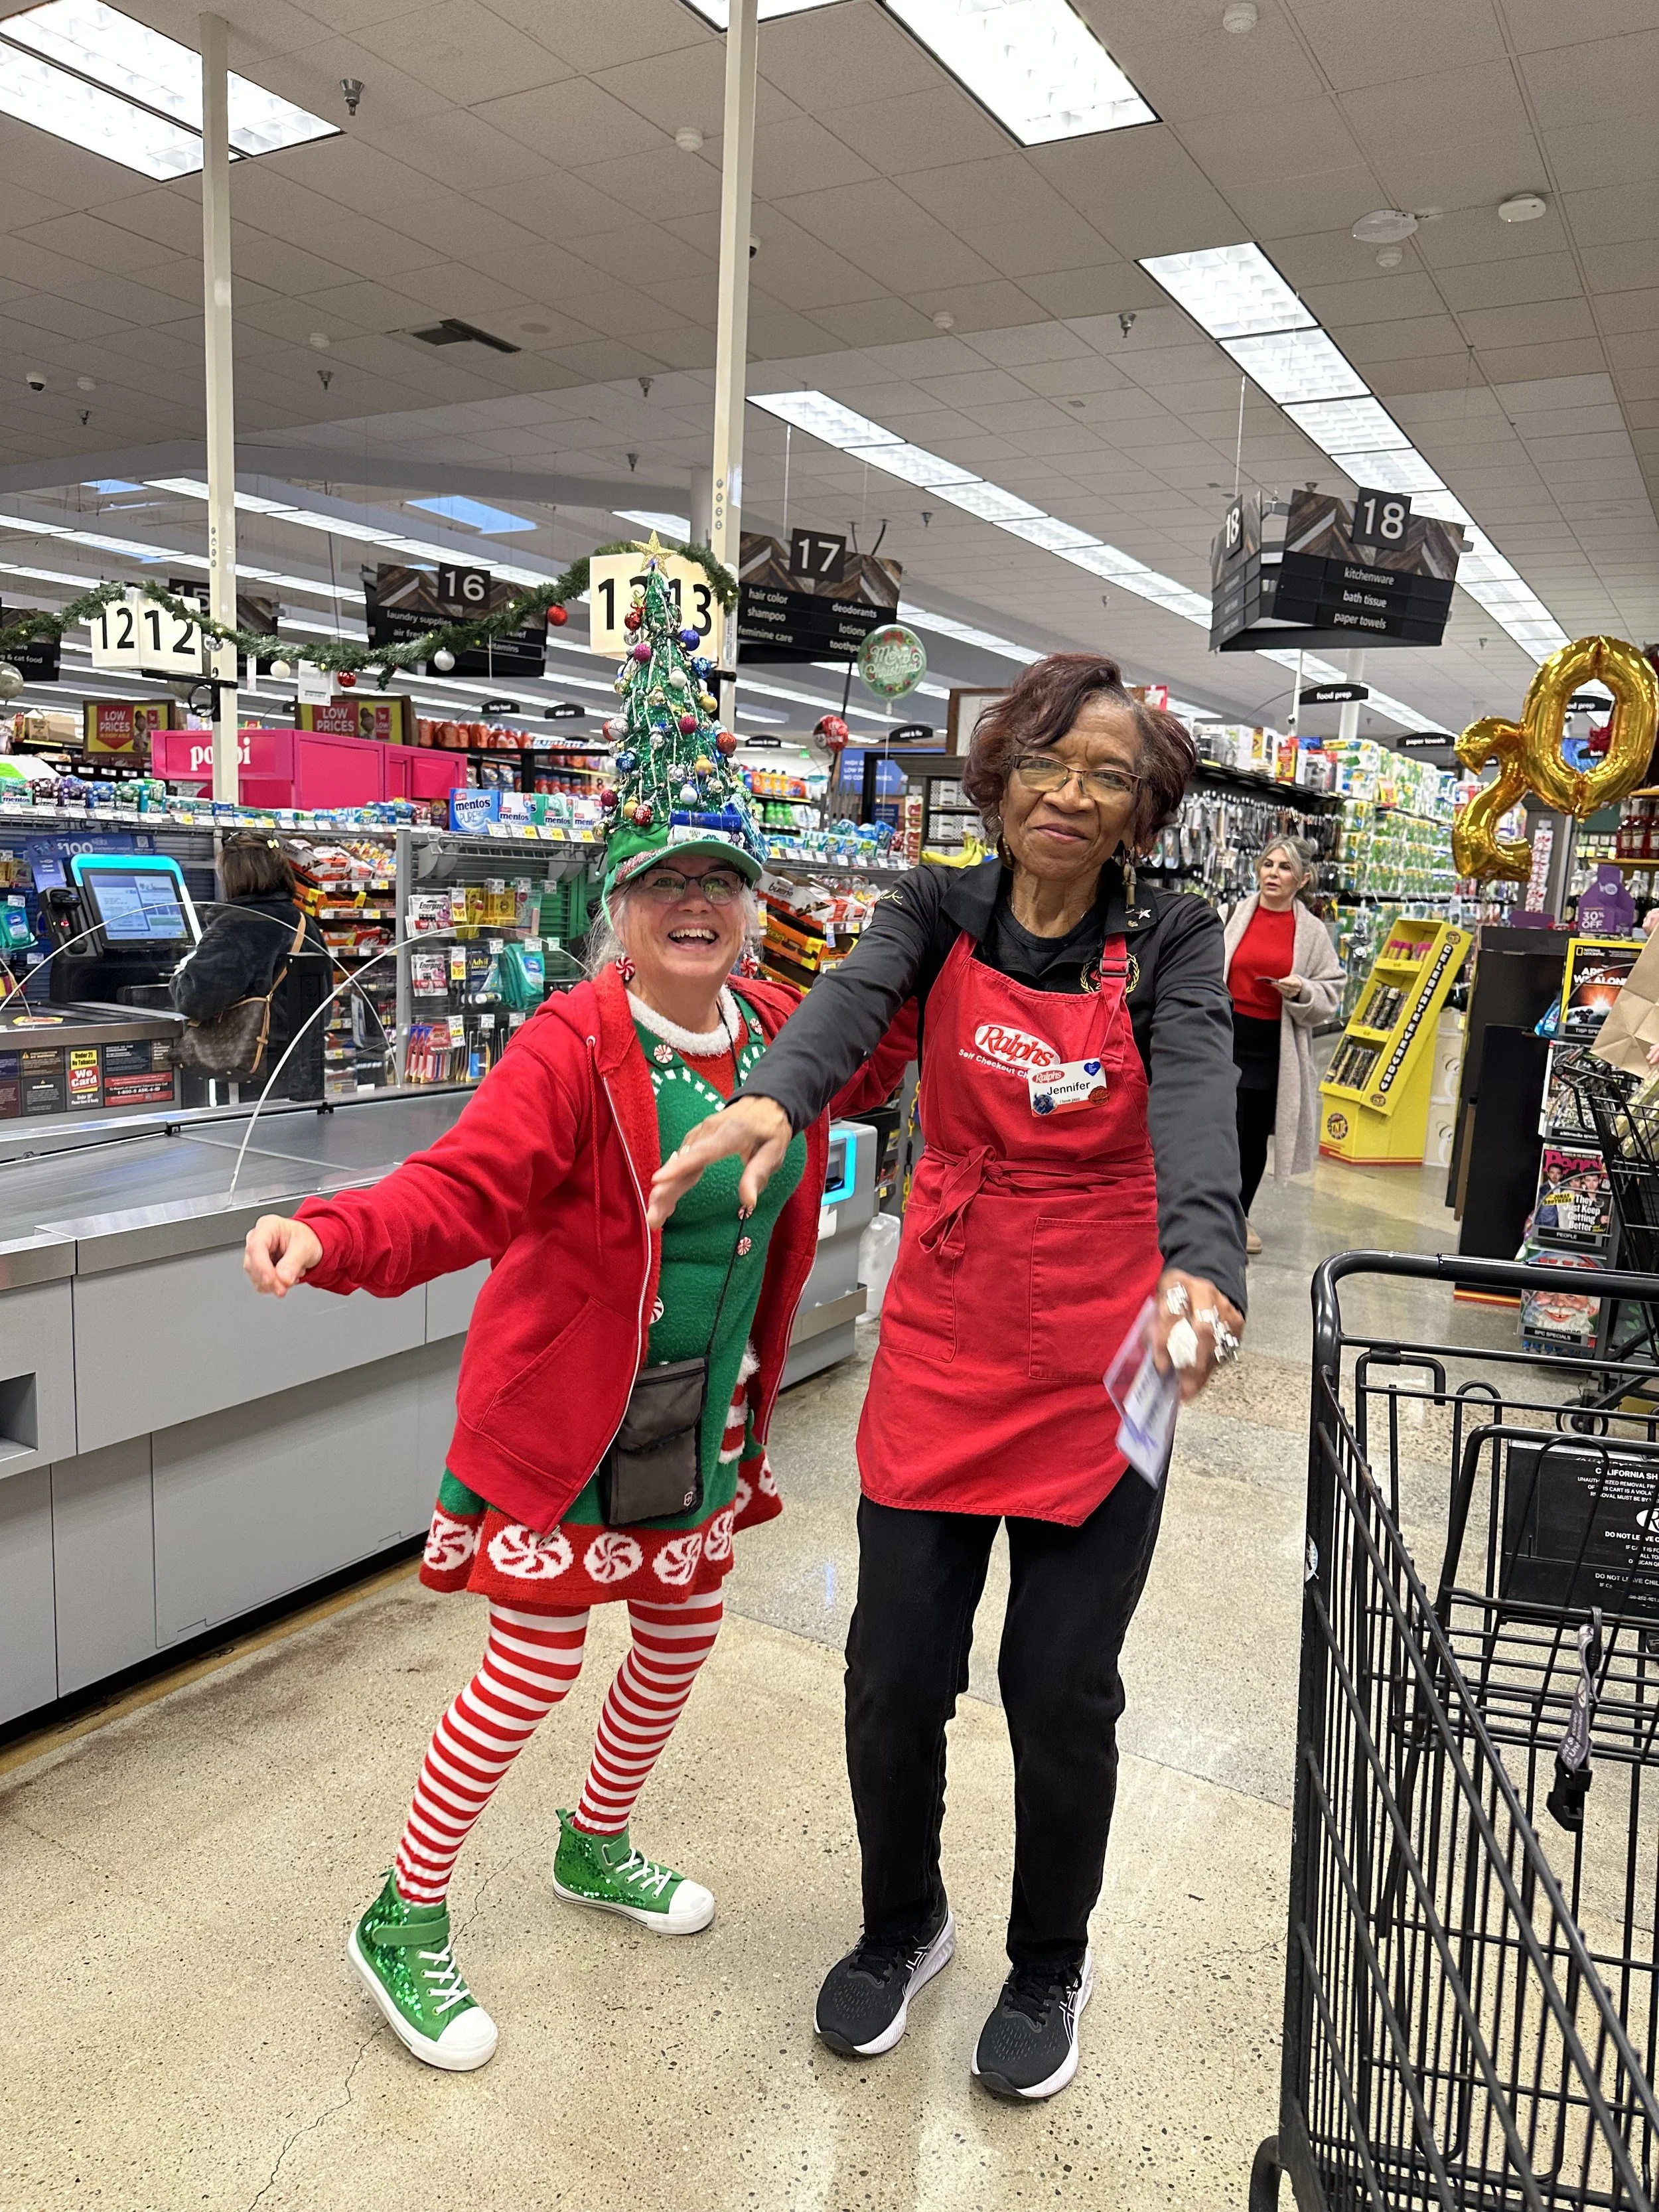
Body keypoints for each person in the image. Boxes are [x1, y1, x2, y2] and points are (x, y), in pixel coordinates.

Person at [239, 563, 906, 2075]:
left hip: (695, 1429)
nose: (693, 905)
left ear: (752, 910)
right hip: (569, 1422)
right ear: (616, 904)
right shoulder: (570, 1044)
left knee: (675, 1635)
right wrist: (329, 1233)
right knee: (531, 1665)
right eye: (663, 882)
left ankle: (593, 1843)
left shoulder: (774, 1046)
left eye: (719, 883)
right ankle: (402, 1914)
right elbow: (460, 1192)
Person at [649, 651, 1247, 2104]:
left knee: (1059, 1686)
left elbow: (1190, 1093)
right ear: (1000, 777)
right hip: (950, 1329)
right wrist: (770, 1101)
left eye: (1107, 775)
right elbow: (846, 1014)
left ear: (1138, 810)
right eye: (1046, 763)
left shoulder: (1169, 936)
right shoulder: (932, 908)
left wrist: (1204, 1262)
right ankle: (900, 1921)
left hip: (1114, 1349)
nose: (1069, 793)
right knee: (892, 1668)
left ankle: (1051, 1956)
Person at [1222, 837, 1344, 1254]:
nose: (1273, 873)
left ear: (1303, 879)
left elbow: (1332, 991)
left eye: (1285, 868)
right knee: (1220, 1129)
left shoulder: (1311, 932)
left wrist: (1302, 990)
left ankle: (1238, 1213)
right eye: (1268, 864)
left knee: (1252, 1135)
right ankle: (1209, 1211)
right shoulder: (1233, 915)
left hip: (1273, 1047)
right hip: (1225, 1036)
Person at [169, 833, 330, 1101]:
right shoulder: (303, 922)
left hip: (249, 1071)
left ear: (234, 877)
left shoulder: (235, 926)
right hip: (302, 1072)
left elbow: (194, 999)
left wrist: (179, 974)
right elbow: (323, 1001)